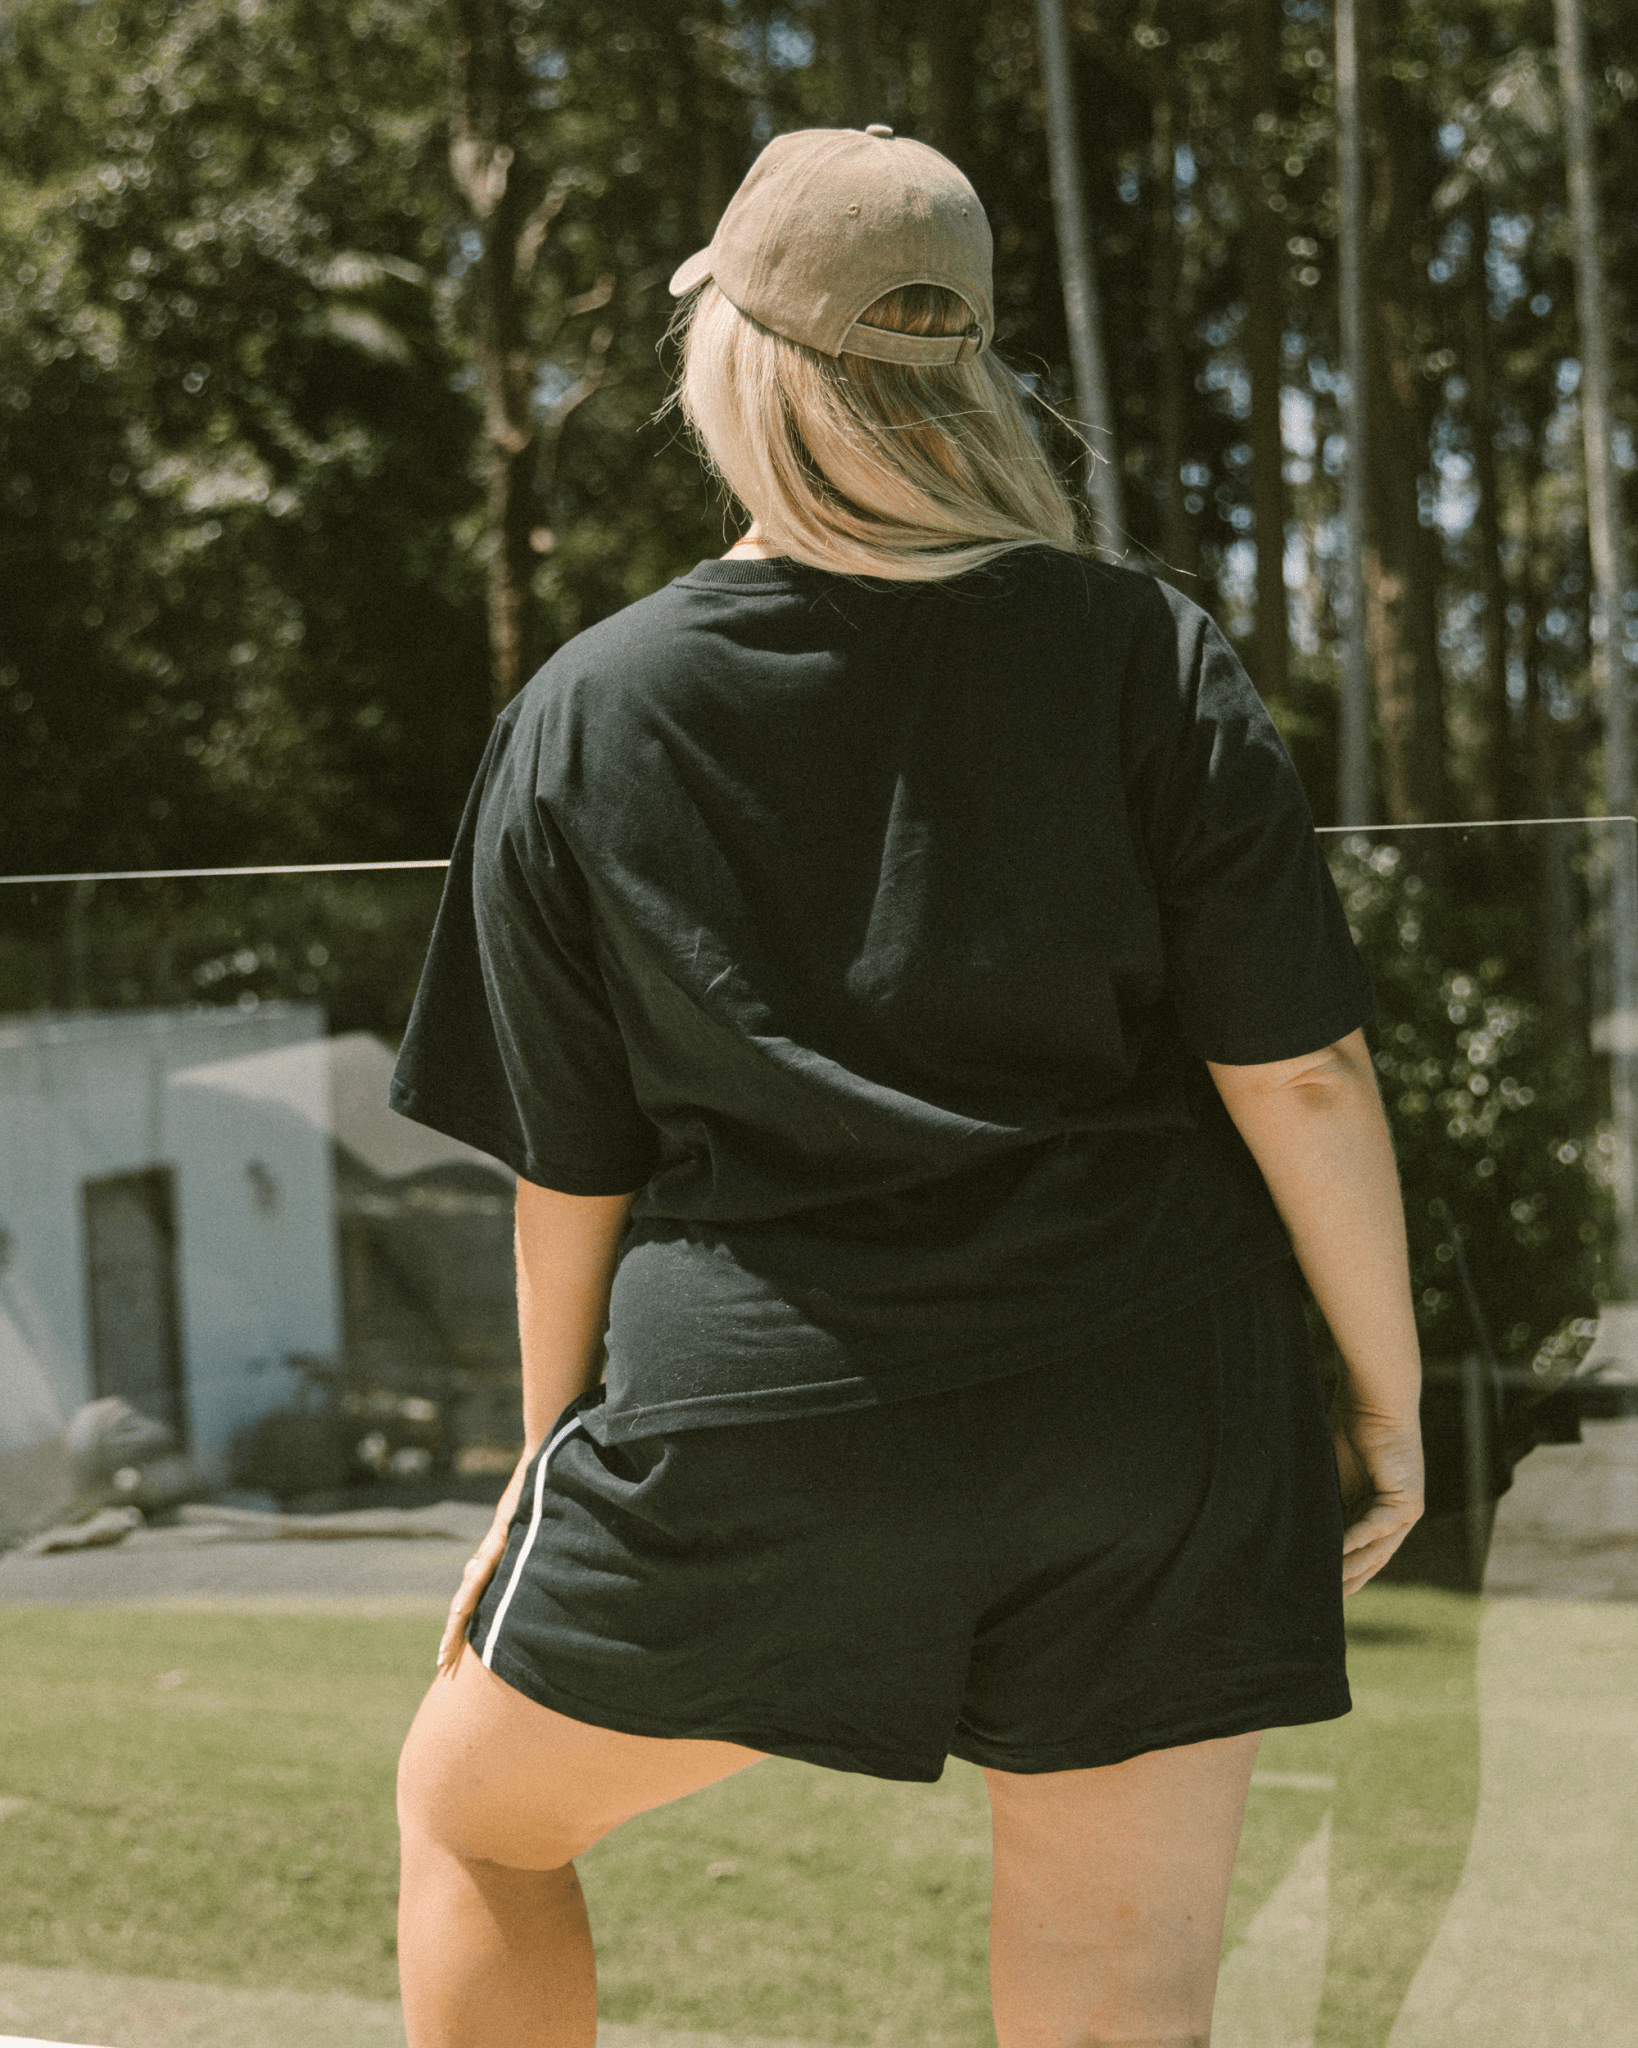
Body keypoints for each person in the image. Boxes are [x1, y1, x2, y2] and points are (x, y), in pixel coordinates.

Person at [389, 124, 1424, 2048]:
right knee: (1112, 2001)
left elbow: (570, 1163)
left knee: (472, 1825)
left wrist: (546, 1459)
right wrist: (1384, 1398)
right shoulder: (1147, 652)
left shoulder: (585, 707)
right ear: (969, 366)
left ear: (733, 354)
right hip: (1150, 1408)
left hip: (762, 1420)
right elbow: (1304, 1075)